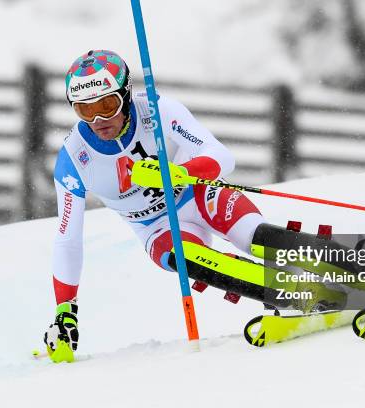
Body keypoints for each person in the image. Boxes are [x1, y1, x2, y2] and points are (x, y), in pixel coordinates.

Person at [43, 50, 267, 363]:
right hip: (157, 229)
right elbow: (68, 238)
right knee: (188, 259)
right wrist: (65, 311)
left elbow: (221, 156)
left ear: (125, 94)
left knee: (256, 236)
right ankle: (277, 288)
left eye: (108, 105)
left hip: (199, 197)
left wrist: (184, 172)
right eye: (85, 110)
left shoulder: (157, 110)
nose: (99, 120)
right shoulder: (73, 159)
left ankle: (326, 258)